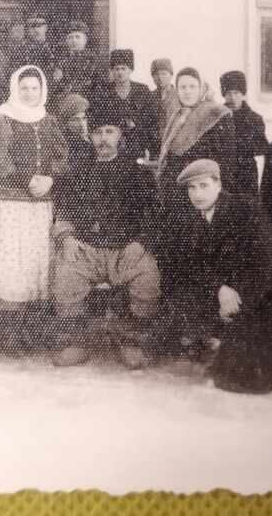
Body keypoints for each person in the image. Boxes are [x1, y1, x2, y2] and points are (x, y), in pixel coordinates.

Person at [158, 159, 272, 394]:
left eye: (203, 185)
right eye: (191, 188)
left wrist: (234, 301)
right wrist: (219, 290)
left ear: (218, 184)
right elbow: (192, 265)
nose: (197, 194)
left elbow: (265, 267)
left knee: (245, 380)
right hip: (232, 295)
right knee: (224, 371)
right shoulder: (192, 218)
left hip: (268, 300)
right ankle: (228, 336)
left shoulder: (245, 210)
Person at [50, 101, 161, 370]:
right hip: (87, 248)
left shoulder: (137, 173)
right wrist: (67, 238)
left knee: (147, 275)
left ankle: (131, 341)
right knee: (65, 273)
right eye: (98, 133)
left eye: (109, 132)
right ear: (90, 136)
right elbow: (64, 211)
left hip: (125, 249)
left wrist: (141, 242)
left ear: (120, 135)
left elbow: (153, 214)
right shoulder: (78, 172)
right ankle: (75, 341)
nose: (103, 139)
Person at [0, 65, 68, 353]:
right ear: (15, 89)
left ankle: (33, 331)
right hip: (9, 202)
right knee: (10, 262)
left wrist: (50, 178)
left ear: (42, 91)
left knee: (36, 263)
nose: (29, 93)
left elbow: (62, 156)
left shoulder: (48, 120)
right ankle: (8, 334)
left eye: (34, 89)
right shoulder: (1, 118)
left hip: (40, 204)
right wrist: (28, 181)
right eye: (24, 88)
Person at [154, 67, 237, 213]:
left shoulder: (216, 115)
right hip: (176, 193)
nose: (187, 91)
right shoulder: (177, 116)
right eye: (183, 87)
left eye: (192, 86)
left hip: (202, 195)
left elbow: (226, 162)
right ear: (177, 91)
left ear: (201, 88)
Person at [88, 49, 155, 159]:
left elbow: (150, 120)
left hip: (138, 145)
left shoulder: (142, 90)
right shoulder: (103, 91)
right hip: (112, 146)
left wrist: (148, 146)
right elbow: (97, 119)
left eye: (123, 68)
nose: (120, 72)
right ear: (112, 71)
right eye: (116, 69)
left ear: (130, 70)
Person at [220, 70, 270, 196]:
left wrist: (244, 145)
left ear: (243, 95)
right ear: (224, 95)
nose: (232, 98)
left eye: (236, 93)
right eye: (228, 93)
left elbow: (262, 147)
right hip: (222, 174)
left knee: (246, 210)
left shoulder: (254, 119)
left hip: (246, 175)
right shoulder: (217, 117)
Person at [51, 20, 100, 102]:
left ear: (85, 40)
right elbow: (56, 85)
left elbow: (96, 86)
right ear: (66, 41)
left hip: (88, 102)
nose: (74, 40)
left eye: (77, 37)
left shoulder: (94, 60)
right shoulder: (61, 61)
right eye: (70, 37)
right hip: (65, 101)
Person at [56, 93, 92, 173]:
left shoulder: (91, 139)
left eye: (83, 118)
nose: (82, 124)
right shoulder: (64, 145)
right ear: (66, 123)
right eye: (75, 120)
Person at [146, 57, 175, 158]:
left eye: (163, 73)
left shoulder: (180, 95)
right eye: (156, 74)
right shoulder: (149, 97)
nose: (160, 78)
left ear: (171, 75)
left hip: (175, 145)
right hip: (155, 148)